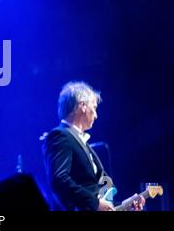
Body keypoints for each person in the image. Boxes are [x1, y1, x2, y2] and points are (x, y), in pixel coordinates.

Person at [42, 81, 144, 211]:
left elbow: (98, 194)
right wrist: (95, 203)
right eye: (94, 108)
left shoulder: (81, 142)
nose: (96, 115)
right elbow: (59, 180)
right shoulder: (60, 136)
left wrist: (125, 205)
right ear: (83, 106)